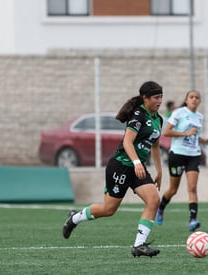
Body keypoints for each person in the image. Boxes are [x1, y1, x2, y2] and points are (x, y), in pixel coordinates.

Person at [62, 81, 164, 257]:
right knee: (108, 210)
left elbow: (155, 147)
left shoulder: (158, 119)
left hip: (136, 168)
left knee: (154, 200)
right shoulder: (138, 115)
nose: (160, 101)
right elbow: (127, 142)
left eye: (161, 96)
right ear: (145, 98)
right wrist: (137, 163)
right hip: (121, 166)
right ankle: (74, 218)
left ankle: (138, 245)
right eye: (156, 97)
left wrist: (159, 171)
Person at [154, 90, 208, 232]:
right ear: (186, 100)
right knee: (173, 189)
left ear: (199, 101)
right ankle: (161, 208)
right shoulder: (178, 113)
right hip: (177, 154)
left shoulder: (199, 116)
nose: (194, 99)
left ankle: (192, 220)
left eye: (197, 98)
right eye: (191, 97)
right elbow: (167, 132)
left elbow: (194, 136)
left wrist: (205, 141)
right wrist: (185, 133)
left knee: (192, 188)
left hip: (193, 155)